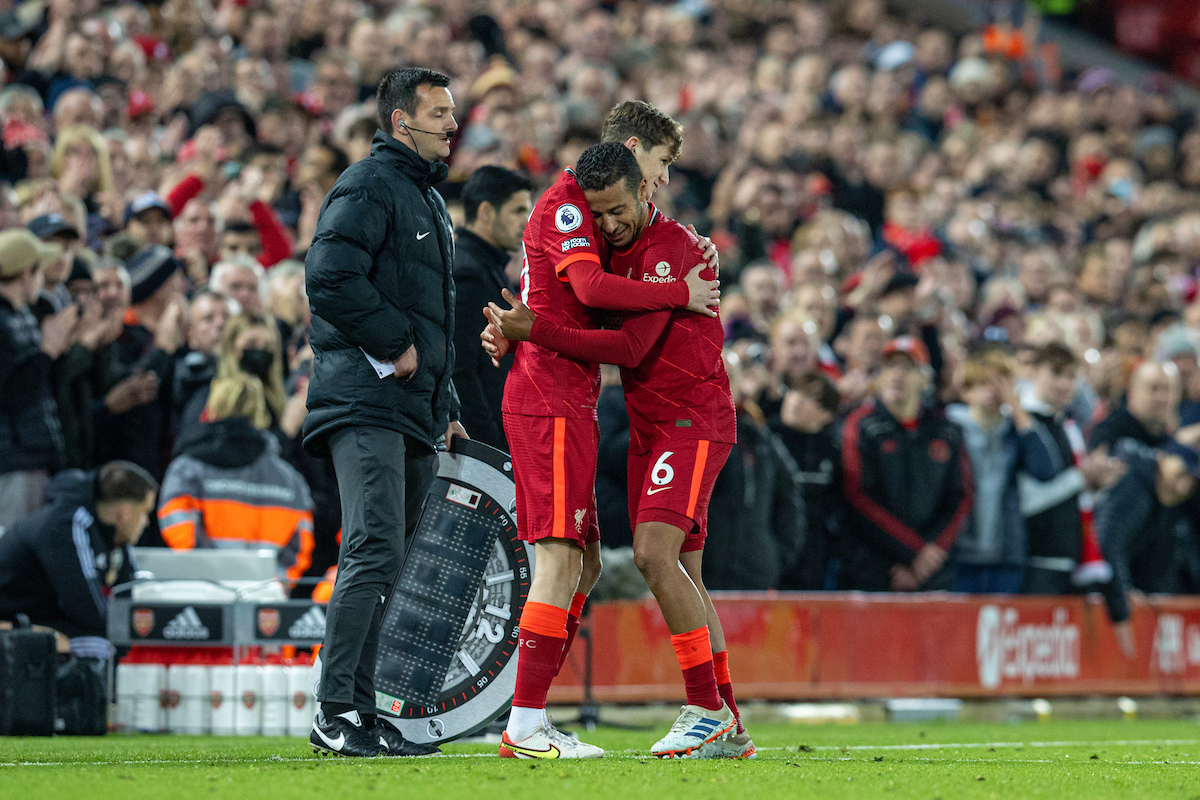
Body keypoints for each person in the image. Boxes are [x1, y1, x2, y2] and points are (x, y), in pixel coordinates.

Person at [485, 142, 748, 759]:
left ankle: (708, 711)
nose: (605, 223)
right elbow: (574, 288)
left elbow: (624, 345)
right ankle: (722, 718)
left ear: (645, 185)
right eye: (597, 213)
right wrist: (515, 330)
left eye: (617, 209)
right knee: (654, 569)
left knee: (648, 559)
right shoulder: (595, 229)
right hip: (621, 418)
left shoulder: (671, 249)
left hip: (686, 420)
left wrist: (531, 330)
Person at [302, 67, 462, 759]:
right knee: (372, 549)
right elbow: (328, 276)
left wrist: (444, 401)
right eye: (438, 113)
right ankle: (334, 708)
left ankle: (361, 712)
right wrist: (392, 340)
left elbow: (436, 317)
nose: (452, 125)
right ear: (402, 121)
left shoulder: (423, 196)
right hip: (366, 398)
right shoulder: (372, 184)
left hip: (408, 406)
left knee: (386, 558)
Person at [839, 336, 973, 591]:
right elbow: (857, 495)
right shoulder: (861, 425)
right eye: (889, 367)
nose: (896, 376)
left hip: (933, 573)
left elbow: (961, 497)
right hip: (873, 568)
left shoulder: (947, 431)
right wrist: (914, 551)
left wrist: (929, 556)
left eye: (907, 368)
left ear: (925, 379)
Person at [158, 375, 314, 583]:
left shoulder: (187, 468)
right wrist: (277, 583)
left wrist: (206, 572)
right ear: (259, 414)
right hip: (265, 596)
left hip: (204, 593)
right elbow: (301, 541)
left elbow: (175, 521)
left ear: (210, 411)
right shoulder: (289, 478)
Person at [0, 460, 157, 657]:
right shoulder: (67, 523)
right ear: (124, 512)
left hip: (38, 617)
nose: (146, 522)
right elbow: (87, 610)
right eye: (144, 512)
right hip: (12, 619)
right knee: (99, 647)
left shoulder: (108, 535)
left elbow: (121, 603)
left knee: (119, 643)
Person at [1018, 342, 1126, 594]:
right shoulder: (1024, 423)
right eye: (1055, 373)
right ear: (1032, 373)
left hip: (1070, 559)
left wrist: (1095, 484)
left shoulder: (1067, 426)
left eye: (1070, 376)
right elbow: (1024, 499)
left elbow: (1073, 491)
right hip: (1034, 559)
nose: (1064, 384)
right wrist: (1082, 478)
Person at [945, 349, 1055, 594]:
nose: (992, 391)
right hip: (958, 551)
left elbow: (1045, 470)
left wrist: (1018, 411)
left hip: (1005, 554)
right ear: (966, 390)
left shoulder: (1015, 430)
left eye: (999, 384)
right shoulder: (950, 427)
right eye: (983, 383)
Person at [451, 165, 532, 451]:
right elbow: (460, 370)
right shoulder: (468, 275)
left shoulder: (486, 267)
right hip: (483, 444)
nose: (526, 221)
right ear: (486, 212)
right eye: (517, 211)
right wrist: (487, 442)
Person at [0, 229, 73, 528]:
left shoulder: (21, 315)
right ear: (26, 272)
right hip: (13, 461)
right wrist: (47, 350)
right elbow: (8, 395)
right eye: (40, 271)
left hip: (30, 457)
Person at [1098, 439, 1199, 653]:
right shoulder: (1134, 486)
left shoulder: (1167, 504)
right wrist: (1122, 595)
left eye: (1190, 481)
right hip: (1100, 598)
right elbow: (1107, 543)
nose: (1183, 487)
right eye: (1180, 474)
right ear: (1162, 459)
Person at [771, 371, 842, 590]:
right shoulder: (765, 442)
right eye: (792, 391)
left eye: (808, 397)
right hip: (773, 558)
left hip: (817, 562)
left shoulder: (833, 450)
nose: (795, 400)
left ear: (827, 414)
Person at [1088, 360, 1180, 452]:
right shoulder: (1108, 434)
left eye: (1168, 390)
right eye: (1154, 388)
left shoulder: (1174, 442)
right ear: (1132, 392)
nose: (1162, 398)